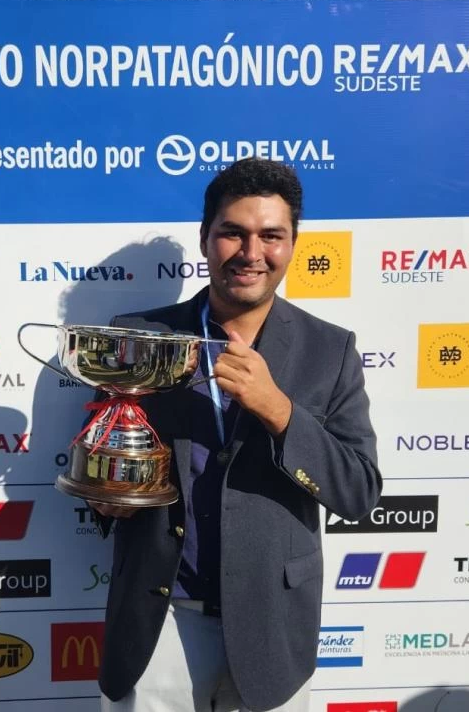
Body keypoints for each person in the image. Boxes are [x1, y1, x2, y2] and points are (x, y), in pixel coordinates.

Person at [88, 158, 382, 712]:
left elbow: (359, 493)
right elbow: (106, 478)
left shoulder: (331, 351)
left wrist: (279, 411)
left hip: (273, 628)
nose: (251, 253)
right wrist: (108, 498)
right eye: (233, 233)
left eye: (271, 235)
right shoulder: (137, 339)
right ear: (205, 239)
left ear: (293, 244)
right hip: (160, 622)